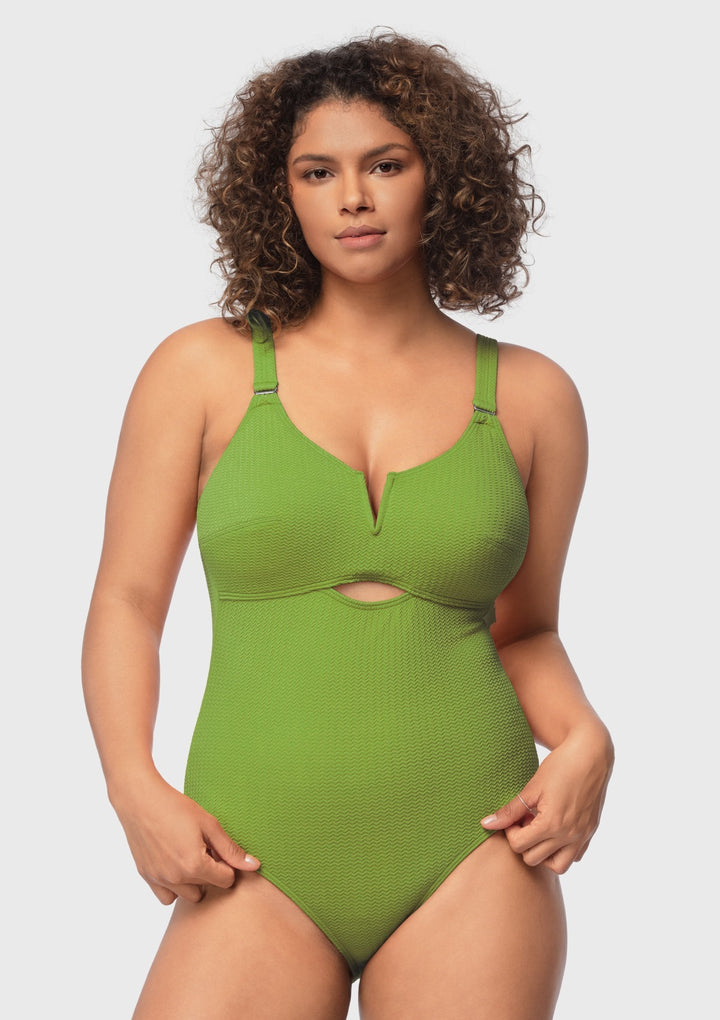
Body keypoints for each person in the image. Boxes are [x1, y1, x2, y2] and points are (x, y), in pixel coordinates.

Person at [81, 31, 613, 1020]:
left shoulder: (534, 397)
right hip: (253, 854)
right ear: (279, 193)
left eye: (386, 165)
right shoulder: (202, 371)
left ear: (442, 179)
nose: (353, 198)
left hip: (474, 849)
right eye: (318, 172)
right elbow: (127, 600)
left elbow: (528, 630)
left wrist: (586, 740)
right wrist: (132, 786)